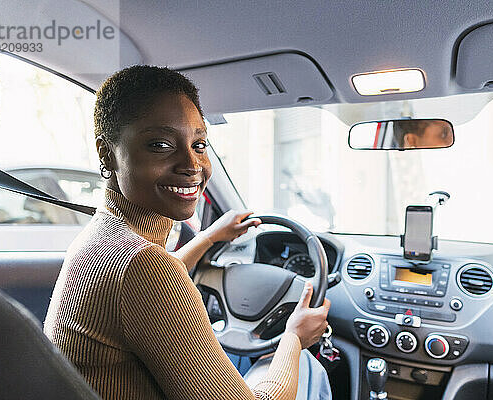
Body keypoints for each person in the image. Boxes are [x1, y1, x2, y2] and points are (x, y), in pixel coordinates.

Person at [43, 65, 332, 400]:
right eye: (161, 144)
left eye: (199, 143)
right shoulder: (145, 266)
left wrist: (209, 237)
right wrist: (293, 337)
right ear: (107, 153)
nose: (192, 165)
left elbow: (153, 279)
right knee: (306, 367)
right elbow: (152, 276)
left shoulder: (102, 235)